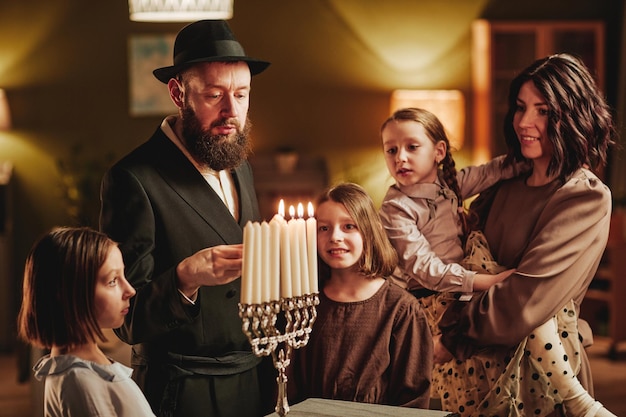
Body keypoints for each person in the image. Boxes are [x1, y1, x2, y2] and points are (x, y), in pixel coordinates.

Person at [99, 20, 273, 417]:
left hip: (252, 378)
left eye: (242, 95)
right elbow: (126, 323)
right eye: (215, 95)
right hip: (182, 393)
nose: (232, 111)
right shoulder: (132, 179)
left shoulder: (238, 162)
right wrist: (185, 278)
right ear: (178, 93)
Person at [434, 53, 616, 417]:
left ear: (575, 116)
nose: (524, 122)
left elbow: (524, 297)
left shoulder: (584, 196)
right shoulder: (504, 181)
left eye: (543, 110)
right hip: (475, 376)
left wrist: (451, 335)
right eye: (520, 107)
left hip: (543, 382)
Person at [378, 107, 522, 334]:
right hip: (426, 302)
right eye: (391, 150)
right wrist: (488, 282)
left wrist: (538, 161)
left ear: (439, 151)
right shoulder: (395, 208)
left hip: (461, 289)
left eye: (412, 147)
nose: (400, 158)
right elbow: (424, 268)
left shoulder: (450, 185)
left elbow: (492, 172)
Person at [291, 182, 433, 408]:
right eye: (323, 228)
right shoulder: (302, 303)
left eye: (348, 226)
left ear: (368, 231)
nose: (335, 237)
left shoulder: (402, 310)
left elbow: (413, 399)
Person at [17, 227, 155, 417]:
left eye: (123, 276)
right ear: (68, 293)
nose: (130, 290)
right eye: (113, 281)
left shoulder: (83, 371)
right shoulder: (81, 383)